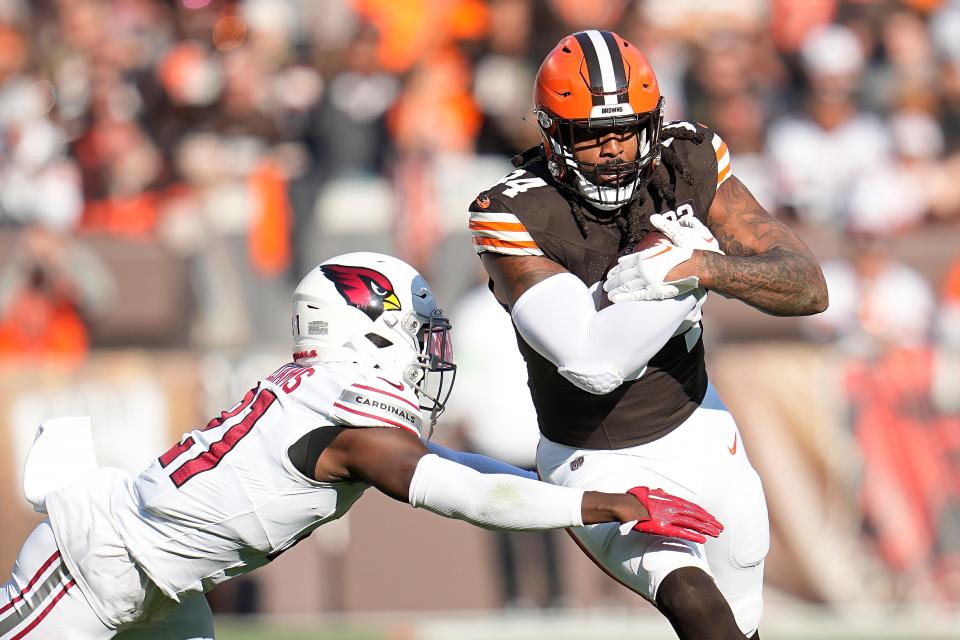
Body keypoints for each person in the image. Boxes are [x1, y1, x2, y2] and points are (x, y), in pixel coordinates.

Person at [0, 252, 722, 639]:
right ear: (369, 328)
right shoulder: (347, 409)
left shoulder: (322, 390)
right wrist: (594, 502)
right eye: (419, 333)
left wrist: (559, 490)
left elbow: (442, 467)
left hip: (165, 586)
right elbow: (452, 490)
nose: (428, 354)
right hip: (95, 563)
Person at [469, 31, 828, 640]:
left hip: (699, 424)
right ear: (554, 134)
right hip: (593, 455)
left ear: (653, 124)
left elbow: (808, 287)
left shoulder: (685, 161)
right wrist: (673, 282)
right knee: (699, 609)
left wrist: (703, 268)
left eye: (625, 130)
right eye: (590, 135)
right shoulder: (512, 209)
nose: (611, 150)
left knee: (742, 622)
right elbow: (590, 363)